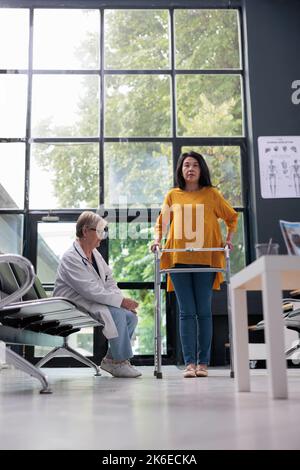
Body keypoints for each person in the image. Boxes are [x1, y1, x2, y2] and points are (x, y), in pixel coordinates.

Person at [151, 151, 238, 378]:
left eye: (195, 166)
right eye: (186, 165)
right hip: (178, 258)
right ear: (181, 170)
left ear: (201, 170)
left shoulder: (211, 194)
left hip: (206, 259)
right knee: (186, 312)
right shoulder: (173, 195)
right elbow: (161, 223)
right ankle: (190, 364)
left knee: (203, 312)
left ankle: (203, 364)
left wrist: (228, 239)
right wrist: (157, 241)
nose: (190, 169)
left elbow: (231, 217)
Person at [53, 211, 142, 378]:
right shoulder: (70, 257)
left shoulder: (95, 254)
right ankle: (120, 361)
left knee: (130, 316)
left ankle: (111, 360)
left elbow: (109, 281)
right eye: (100, 232)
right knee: (116, 313)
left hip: (91, 301)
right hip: (71, 304)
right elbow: (90, 290)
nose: (102, 237)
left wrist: (122, 301)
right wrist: (121, 302)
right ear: (86, 231)